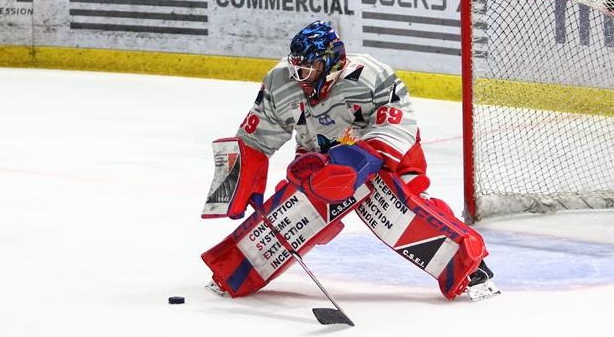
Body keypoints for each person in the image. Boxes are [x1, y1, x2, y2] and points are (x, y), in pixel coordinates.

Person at [201, 21, 498, 302]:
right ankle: (232, 271)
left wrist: (359, 162)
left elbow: (398, 122)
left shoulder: (371, 74)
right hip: (319, 157)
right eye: (296, 68)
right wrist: (239, 180)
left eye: (308, 69)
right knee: (289, 213)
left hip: (382, 154)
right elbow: (254, 137)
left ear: (331, 62)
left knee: (409, 207)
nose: (299, 77)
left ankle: (472, 267)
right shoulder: (280, 82)